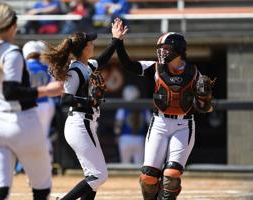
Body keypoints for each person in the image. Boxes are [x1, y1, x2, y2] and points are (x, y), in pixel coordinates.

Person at [0, 2, 63, 200]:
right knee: (41, 190)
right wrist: (46, 90)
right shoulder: (12, 52)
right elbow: (11, 92)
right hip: (22, 122)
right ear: (12, 25)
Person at [116, 28, 214, 199]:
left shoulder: (193, 72)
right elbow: (128, 65)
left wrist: (205, 101)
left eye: (166, 48)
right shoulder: (155, 67)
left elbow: (205, 108)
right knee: (148, 177)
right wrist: (118, 41)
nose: (162, 51)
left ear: (178, 50)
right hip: (159, 123)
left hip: (184, 125)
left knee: (171, 175)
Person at [41, 18, 128, 200]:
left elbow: (103, 59)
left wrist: (116, 39)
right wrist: (88, 100)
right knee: (99, 175)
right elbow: (65, 99)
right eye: (90, 42)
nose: (93, 44)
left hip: (86, 123)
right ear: (85, 47)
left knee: (93, 175)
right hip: (80, 123)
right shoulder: (75, 70)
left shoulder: (87, 65)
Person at [22, 40, 56, 163]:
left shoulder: (23, 67)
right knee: (44, 136)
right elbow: (54, 86)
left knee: (28, 136)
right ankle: (48, 164)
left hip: (29, 105)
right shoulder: (46, 67)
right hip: (46, 104)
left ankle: (28, 166)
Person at [114, 85, 151, 165]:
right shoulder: (144, 108)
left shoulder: (123, 108)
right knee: (139, 165)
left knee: (125, 164)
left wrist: (117, 136)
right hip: (140, 139)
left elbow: (118, 125)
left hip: (125, 138)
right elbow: (150, 124)